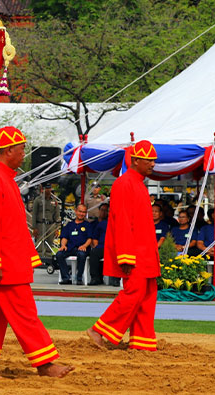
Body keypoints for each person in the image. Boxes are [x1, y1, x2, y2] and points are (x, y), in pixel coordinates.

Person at [0, 126, 73, 379]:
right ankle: (45, 364)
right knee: (24, 313)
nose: (24, 154)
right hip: (5, 263)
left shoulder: (3, 177)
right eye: (22, 149)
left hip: (8, 260)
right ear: (9, 150)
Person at [87, 140, 160, 352]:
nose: (153, 165)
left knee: (147, 294)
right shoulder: (123, 184)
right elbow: (121, 223)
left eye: (154, 161)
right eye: (149, 160)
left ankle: (142, 342)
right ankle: (99, 330)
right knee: (134, 293)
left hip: (146, 253)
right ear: (135, 160)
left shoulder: (138, 184)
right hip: (135, 252)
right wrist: (126, 255)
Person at [55, 204, 91, 285]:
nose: (82, 214)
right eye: (80, 211)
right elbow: (64, 237)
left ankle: (79, 278)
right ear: (76, 211)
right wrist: (63, 245)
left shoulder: (88, 225)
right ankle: (66, 278)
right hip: (70, 247)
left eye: (84, 212)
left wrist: (85, 246)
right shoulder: (69, 225)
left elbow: (90, 238)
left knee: (81, 255)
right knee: (59, 254)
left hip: (82, 248)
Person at [31, 183, 60, 255]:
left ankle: (48, 261)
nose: (48, 190)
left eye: (49, 188)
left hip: (51, 225)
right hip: (40, 224)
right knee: (40, 245)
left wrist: (56, 228)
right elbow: (34, 214)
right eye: (46, 188)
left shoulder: (54, 201)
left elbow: (57, 215)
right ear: (42, 189)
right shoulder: (38, 200)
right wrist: (34, 228)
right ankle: (40, 261)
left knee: (49, 245)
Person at [88, 203, 110, 286]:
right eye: (108, 211)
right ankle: (95, 278)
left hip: (114, 248)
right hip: (102, 247)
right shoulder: (102, 224)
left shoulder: (118, 223)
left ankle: (116, 279)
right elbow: (95, 237)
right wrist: (96, 246)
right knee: (94, 252)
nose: (107, 213)